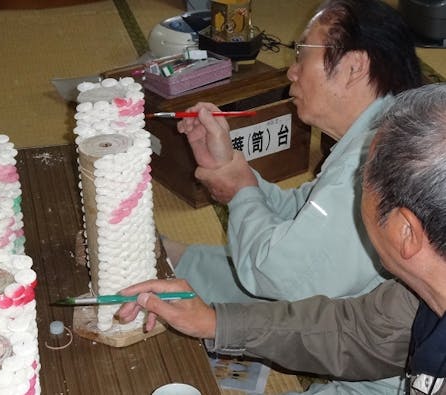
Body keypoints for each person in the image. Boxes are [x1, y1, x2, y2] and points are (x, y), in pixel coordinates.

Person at [119, 83, 446, 395]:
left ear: (406, 230)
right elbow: (359, 331)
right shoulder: (415, 296)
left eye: (365, 180)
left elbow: (287, 280)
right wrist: (215, 323)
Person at [167, 0, 422, 304]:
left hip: (348, 329)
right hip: (325, 291)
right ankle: (178, 260)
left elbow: (278, 276)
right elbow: (301, 212)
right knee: (187, 261)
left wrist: (239, 193)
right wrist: (232, 168)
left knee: (210, 281)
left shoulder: (374, 165)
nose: (292, 72)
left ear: (353, 68)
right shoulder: (381, 131)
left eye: (302, 54)